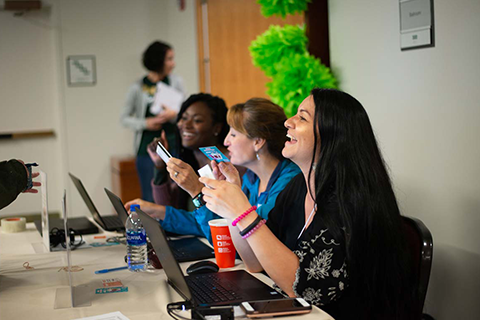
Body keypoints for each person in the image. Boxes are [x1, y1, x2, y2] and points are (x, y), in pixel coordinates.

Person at [199, 89, 415, 319]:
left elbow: (303, 289)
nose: (288, 122)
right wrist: (235, 205)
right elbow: (254, 262)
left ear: (332, 135)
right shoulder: (298, 187)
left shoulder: (347, 200)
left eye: (302, 117)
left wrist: (243, 211)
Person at [125, 98, 301, 243]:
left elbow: (235, 242)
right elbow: (217, 226)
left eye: (233, 134)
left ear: (258, 141)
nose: (226, 142)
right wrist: (156, 211)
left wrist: (196, 191)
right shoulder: (251, 179)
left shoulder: (289, 182)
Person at [120, 40, 186, 202]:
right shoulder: (138, 87)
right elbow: (124, 119)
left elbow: (186, 113)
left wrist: (174, 114)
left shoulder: (176, 82)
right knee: (150, 196)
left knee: (174, 195)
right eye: (169, 59)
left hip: (173, 145)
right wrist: (146, 123)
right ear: (158, 61)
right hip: (147, 148)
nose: (173, 63)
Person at [147, 93, 231, 211]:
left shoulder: (229, 165)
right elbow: (168, 207)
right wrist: (160, 166)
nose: (186, 125)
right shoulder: (190, 159)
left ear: (217, 128)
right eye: (184, 118)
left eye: (197, 120)